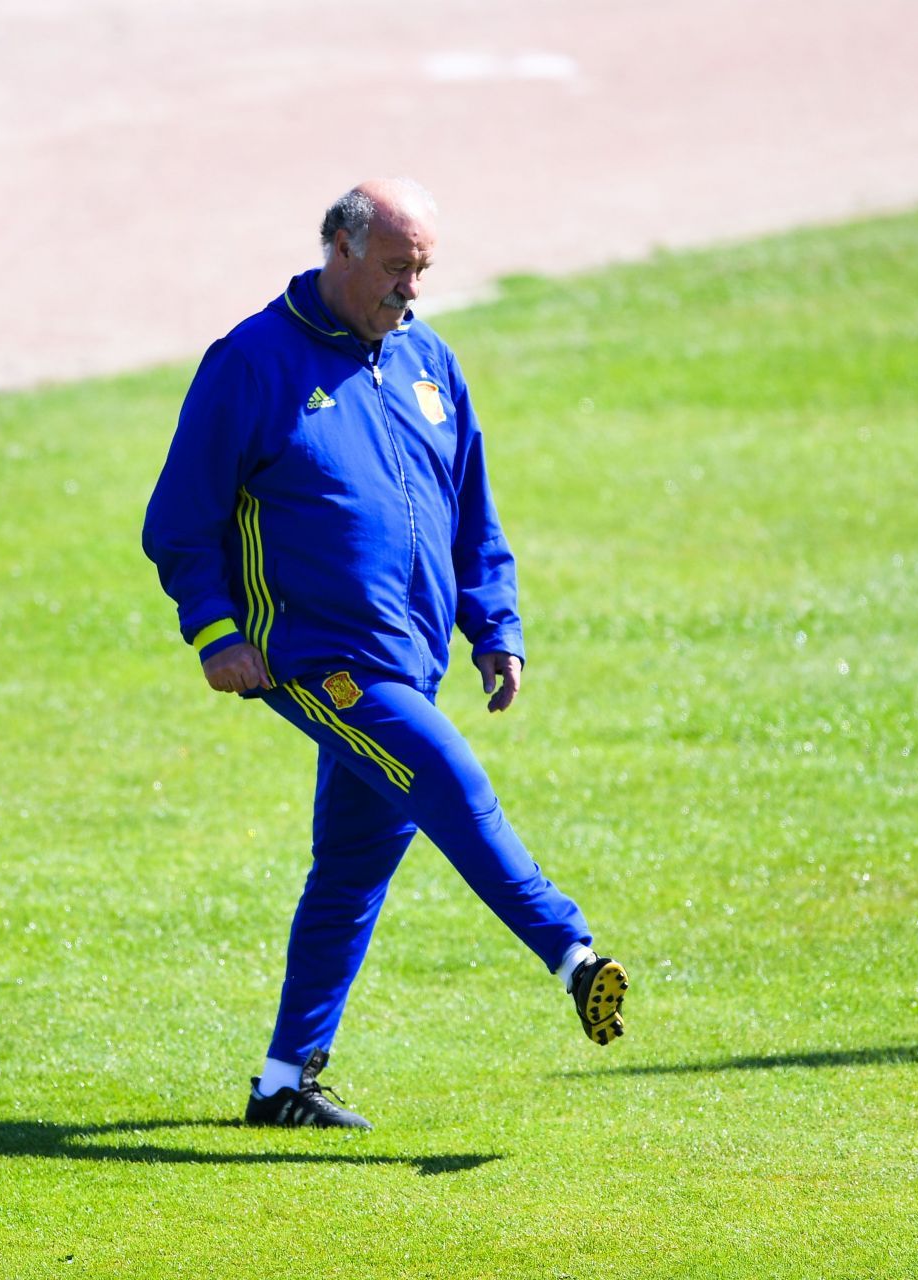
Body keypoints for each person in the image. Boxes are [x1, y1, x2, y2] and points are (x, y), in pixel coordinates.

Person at [141, 178, 626, 1130]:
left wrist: (495, 627)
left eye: (424, 270)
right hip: (315, 660)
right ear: (340, 250)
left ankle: (285, 1083)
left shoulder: (429, 360)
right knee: (446, 774)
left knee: (354, 868)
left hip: (409, 657)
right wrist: (216, 630)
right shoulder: (250, 362)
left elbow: (471, 513)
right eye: (397, 268)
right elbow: (178, 519)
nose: (411, 289)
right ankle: (572, 954)